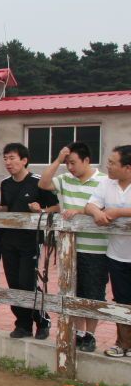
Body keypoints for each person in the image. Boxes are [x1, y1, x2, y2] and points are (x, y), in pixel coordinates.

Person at [39, 142, 108, 352]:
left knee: (94, 293)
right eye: (67, 163)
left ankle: (91, 335)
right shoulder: (65, 180)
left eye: (73, 162)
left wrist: (79, 210)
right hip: (68, 249)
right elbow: (43, 183)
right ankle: (79, 333)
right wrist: (59, 160)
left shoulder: (104, 181)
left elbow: (105, 209)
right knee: (72, 291)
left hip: (96, 248)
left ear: (87, 161)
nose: (70, 167)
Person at [0, 143, 59, 339]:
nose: (8, 162)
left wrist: (41, 211)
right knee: (14, 284)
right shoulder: (5, 183)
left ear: (24, 160)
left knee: (27, 283)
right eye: (5, 158)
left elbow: (56, 208)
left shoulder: (38, 182)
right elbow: (6, 208)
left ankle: (42, 321)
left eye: (12, 158)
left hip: (30, 241)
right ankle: (22, 324)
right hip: (8, 240)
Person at [85, 145, 131, 358]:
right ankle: (123, 344)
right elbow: (90, 205)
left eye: (113, 163)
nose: (108, 166)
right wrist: (97, 213)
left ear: (128, 168)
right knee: (121, 299)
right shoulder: (107, 183)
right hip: (116, 254)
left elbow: (117, 212)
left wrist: (117, 211)